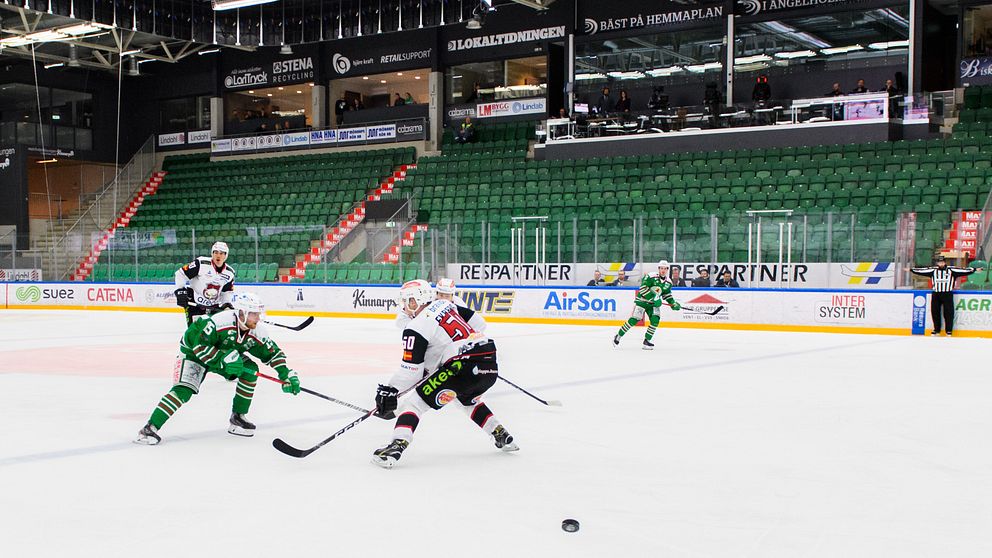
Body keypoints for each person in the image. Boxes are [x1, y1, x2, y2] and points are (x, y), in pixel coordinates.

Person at [371, 280, 518, 468]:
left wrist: (391, 390)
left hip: (460, 367)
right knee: (467, 399)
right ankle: (500, 433)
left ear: (418, 300)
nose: (404, 307)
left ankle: (395, 448)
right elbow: (479, 324)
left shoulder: (415, 327)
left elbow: (412, 371)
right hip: (488, 362)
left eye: (408, 301)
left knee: (414, 403)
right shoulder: (447, 304)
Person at [134, 292, 301, 445]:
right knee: (184, 390)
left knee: (250, 370)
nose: (257, 318)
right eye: (254, 314)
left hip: (225, 355)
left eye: (258, 314)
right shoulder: (219, 322)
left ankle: (238, 417)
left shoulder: (256, 331)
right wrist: (223, 361)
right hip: (193, 354)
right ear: (242, 313)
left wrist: (286, 374)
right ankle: (149, 428)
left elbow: (272, 353)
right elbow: (198, 346)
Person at [613, 260, 681, 350]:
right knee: (634, 319)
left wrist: (673, 303)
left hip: (653, 304)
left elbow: (666, 295)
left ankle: (646, 341)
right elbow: (643, 288)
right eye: (661, 268)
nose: (663, 270)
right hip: (642, 301)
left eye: (665, 268)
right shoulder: (651, 276)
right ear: (659, 269)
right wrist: (652, 299)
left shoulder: (668, 282)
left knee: (655, 320)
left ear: (667, 269)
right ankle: (618, 335)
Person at [910, 257, 980, 336]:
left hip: (947, 293)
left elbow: (963, 270)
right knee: (935, 312)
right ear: (937, 263)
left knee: (949, 313)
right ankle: (936, 330)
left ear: (945, 262)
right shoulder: (933, 270)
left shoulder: (951, 270)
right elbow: (922, 270)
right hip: (936, 294)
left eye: (942, 262)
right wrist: (911, 270)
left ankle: (949, 330)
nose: (941, 264)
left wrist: (974, 269)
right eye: (939, 262)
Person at [174, 241, 236, 326]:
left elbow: (226, 292)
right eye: (216, 252)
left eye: (222, 253)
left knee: (212, 335)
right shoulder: (201, 263)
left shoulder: (230, 273)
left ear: (226, 255)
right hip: (194, 304)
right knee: (195, 333)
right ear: (212, 253)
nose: (218, 255)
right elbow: (180, 274)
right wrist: (180, 290)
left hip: (214, 307)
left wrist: (226, 303)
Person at [395, 277, 486, 333]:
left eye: (447, 296)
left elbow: (478, 325)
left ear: (452, 295)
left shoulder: (459, 305)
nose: (443, 299)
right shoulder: (427, 302)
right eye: (441, 295)